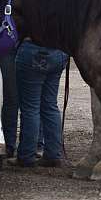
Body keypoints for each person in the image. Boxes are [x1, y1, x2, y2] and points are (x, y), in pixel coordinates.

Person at [9, 39, 68, 167]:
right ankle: (53, 155)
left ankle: (26, 156)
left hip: (32, 48)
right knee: (50, 105)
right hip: (58, 50)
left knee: (30, 108)